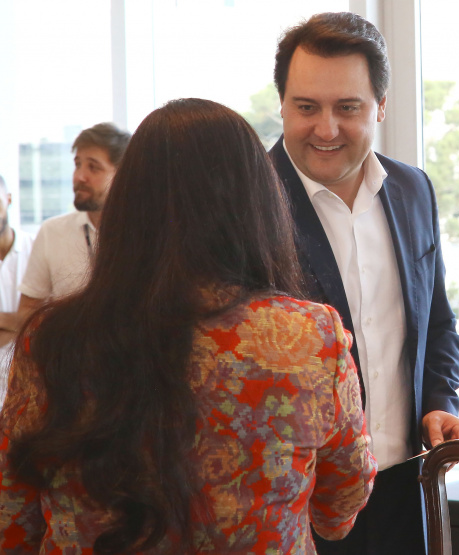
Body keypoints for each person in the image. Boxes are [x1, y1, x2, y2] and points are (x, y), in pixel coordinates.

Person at [0, 98, 376, 553]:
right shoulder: (310, 338)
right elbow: (341, 507)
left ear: (126, 205)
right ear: (258, 205)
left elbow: (13, 517)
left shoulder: (51, 340)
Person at [269, 12, 459, 554]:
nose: (326, 129)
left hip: (407, 485)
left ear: (380, 106)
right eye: (306, 107)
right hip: (297, 497)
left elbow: (438, 320)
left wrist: (439, 400)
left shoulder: (413, 188)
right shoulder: (249, 206)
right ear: (282, 104)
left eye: (348, 108)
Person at [2, 123, 131, 335]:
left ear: (122, 174)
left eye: (93, 167)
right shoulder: (52, 232)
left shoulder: (147, 233)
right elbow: (27, 314)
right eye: (77, 164)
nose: (79, 176)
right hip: (68, 362)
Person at [0, 174, 34, 397]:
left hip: (29, 387)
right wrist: (23, 319)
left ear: (9, 199)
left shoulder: (37, 251)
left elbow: (46, 321)